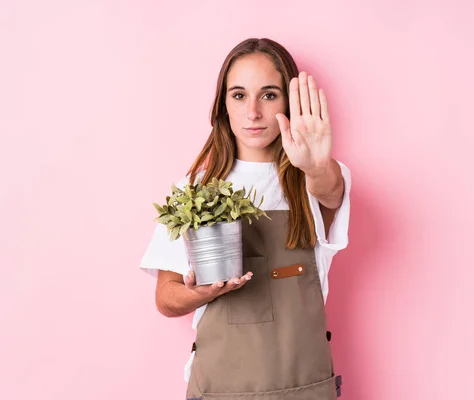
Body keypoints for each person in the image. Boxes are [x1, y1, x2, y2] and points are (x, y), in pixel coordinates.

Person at [140, 37, 351, 400]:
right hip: (221, 388)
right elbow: (165, 297)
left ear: (289, 102)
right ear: (223, 105)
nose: (253, 112)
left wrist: (315, 165)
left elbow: (331, 192)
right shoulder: (194, 191)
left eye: (269, 95)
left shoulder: (316, 178)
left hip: (306, 387)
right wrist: (198, 293)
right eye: (239, 95)